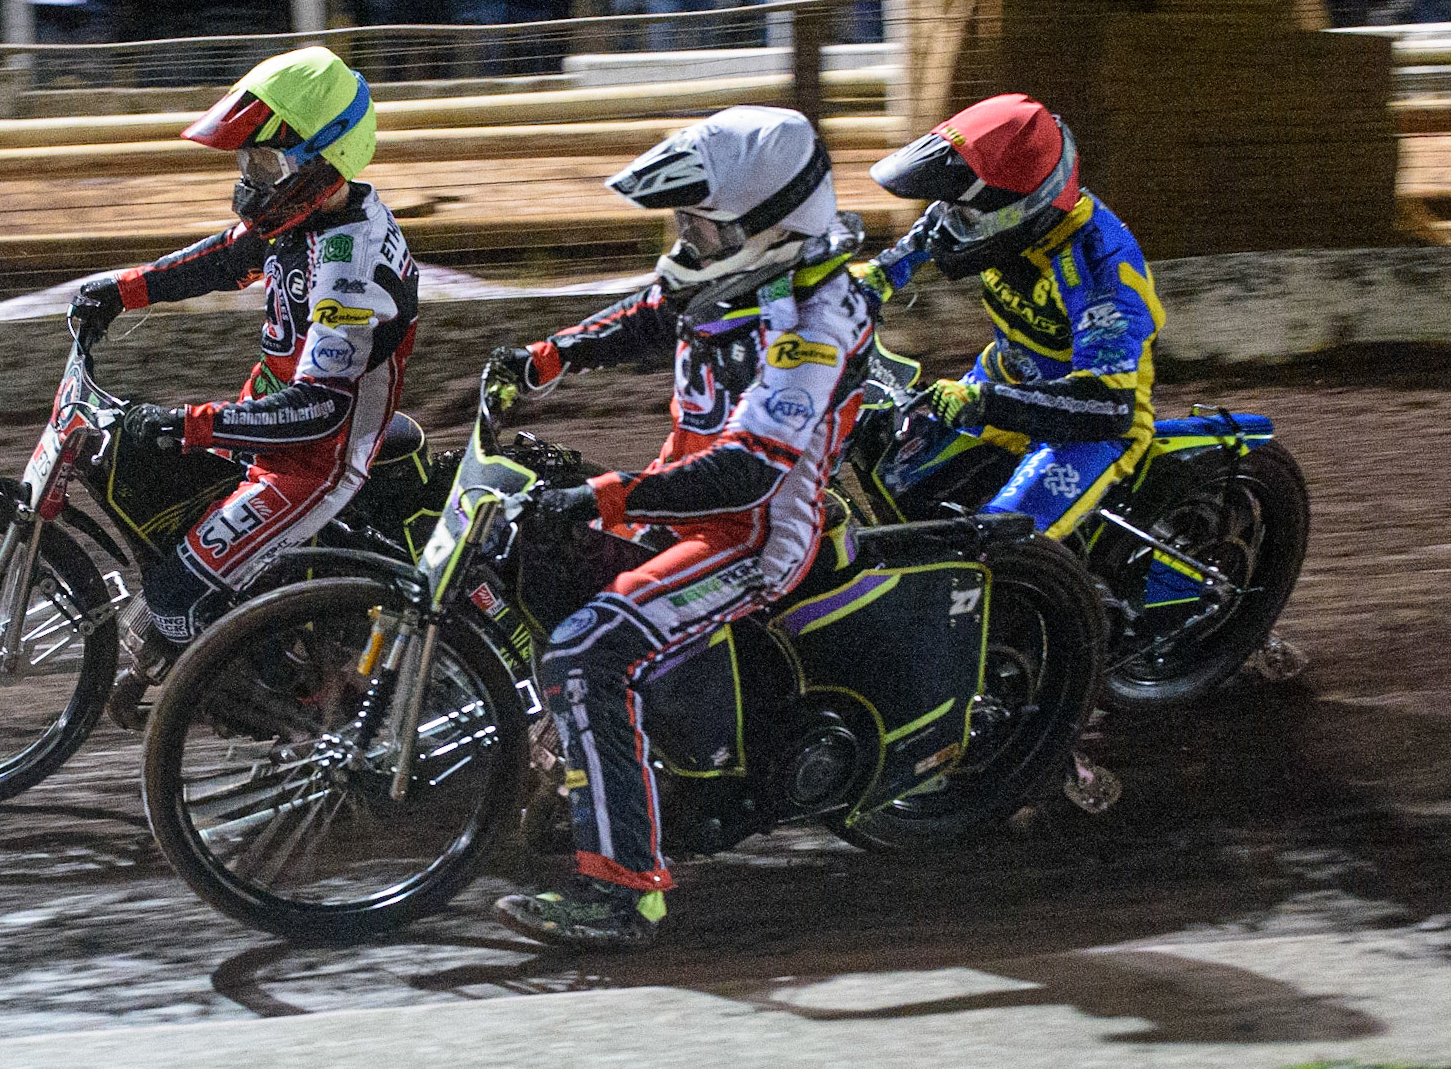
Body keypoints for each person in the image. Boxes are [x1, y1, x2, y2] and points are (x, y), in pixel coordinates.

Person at [486, 105, 875, 949]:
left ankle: (625, 896)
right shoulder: (729, 279)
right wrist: (546, 356)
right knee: (526, 551)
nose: (685, 239)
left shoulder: (815, 323)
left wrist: (606, 497)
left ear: (766, 226)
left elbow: (748, 472)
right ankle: (591, 758)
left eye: (699, 223)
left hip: (748, 539)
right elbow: (655, 310)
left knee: (588, 649)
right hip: (682, 508)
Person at [67, 45, 418, 721]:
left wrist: (191, 422)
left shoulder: (352, 261)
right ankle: (218, 653)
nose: (252, 179)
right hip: (265, 426)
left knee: (175, 597)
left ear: (324, 160)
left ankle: (300, 712)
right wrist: (121, 290)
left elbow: (318, 411)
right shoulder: (306, 217)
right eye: (248, 162)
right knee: (156, 507)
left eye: (267, 164)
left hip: (314, 463)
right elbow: (225, 257)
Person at [851, 92, 1165, 541]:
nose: (952, 227)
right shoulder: (1001, 216)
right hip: (1003, 378)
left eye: (968, 216)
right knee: (895, 474)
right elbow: (928, 233)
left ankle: (1059, 602)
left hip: (1086, 425)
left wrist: (984, 403)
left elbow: (1106, 406)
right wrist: (870, 281)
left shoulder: (1098, 266)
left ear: (1025, 210)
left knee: (994, 544)